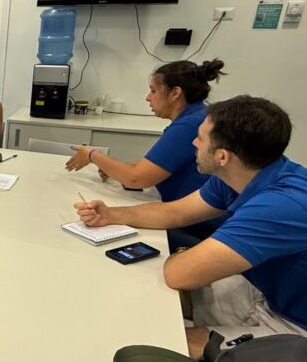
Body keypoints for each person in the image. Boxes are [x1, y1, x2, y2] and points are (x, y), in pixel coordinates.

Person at [74, 95, 307, 362]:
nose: (193, 142)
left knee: (168, 343)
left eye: (201, 138)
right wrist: (113, 214)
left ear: (222, 156)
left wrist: (184, 256)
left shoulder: (283, 207)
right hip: (297, 302)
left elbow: (178, 273)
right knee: (162, 307)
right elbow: (176, 213)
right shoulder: (254, 172)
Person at [66, 59, 228, 249]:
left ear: (175, 93)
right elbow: (148, 169)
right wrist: (116, 171)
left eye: (153, 90)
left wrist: (91, 154)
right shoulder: (196, 116)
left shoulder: (190, 125)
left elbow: (138, 178)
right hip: (190, 217)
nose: (148, 97)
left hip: (197, 227)